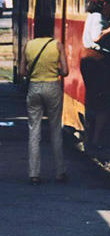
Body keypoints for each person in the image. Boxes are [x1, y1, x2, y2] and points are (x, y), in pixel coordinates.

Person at [18, 32, 68, 185]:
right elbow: (65, 71)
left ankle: (34, 174)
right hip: (52, 87)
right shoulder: (57, 45)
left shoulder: (28, 45)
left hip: (34, 88)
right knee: (55, 130)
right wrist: (54, 70)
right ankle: (60, 172)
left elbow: (22, 72)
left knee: (34, 130)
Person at [81, 0, 110, 147]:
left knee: (94, 99)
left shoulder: (92, 16)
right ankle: (96, 140)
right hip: (98, 61)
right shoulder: (97, 17)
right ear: (105, 4)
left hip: (91, 60)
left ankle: (90, 138)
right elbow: (97, 37)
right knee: (103, 102)